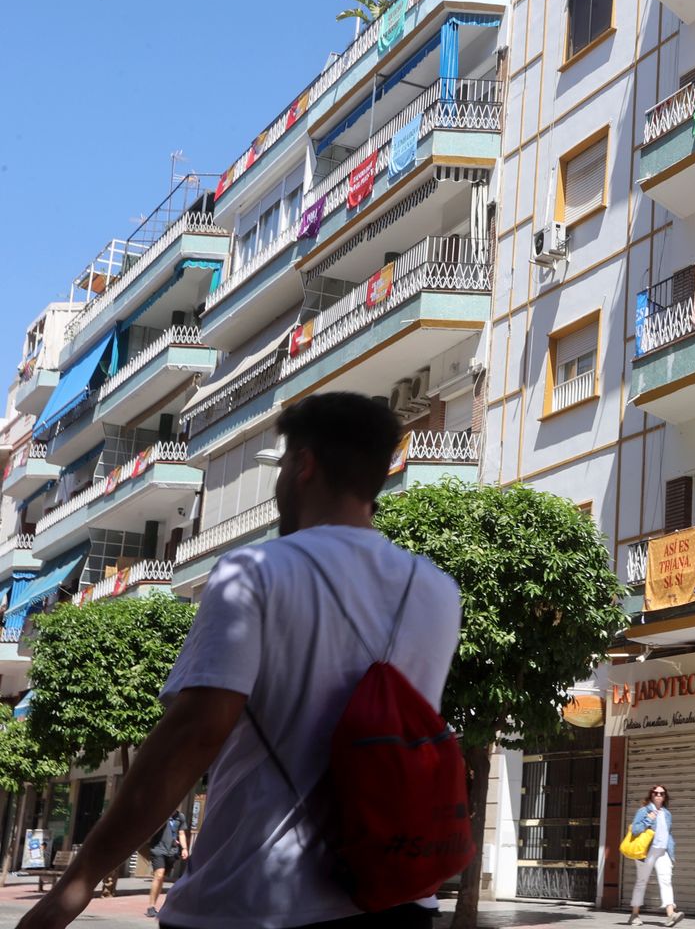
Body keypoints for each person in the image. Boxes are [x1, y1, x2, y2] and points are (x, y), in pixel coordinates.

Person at [17, 393, 462, 929]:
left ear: (304, 465)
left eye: (282, 465)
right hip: (395, 901)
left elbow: (195, 735)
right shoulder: (438, 590)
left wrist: (78, 884)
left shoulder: (254, 571)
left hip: (250, 898)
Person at [628, 786, 683, 927]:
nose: (658, 795)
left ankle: (671, 914)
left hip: (663, 851)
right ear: (651, 795)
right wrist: (648, 819)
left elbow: (668, 834)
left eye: (661, 793)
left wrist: (671, 852)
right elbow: (635, 830)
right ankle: (634, 915)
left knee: (666, 880)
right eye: (656, 793)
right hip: (647, 851)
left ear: (665, 797)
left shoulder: (667, 814)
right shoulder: (644, 811)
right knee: (642, 881)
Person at [145, 810, 190, 918]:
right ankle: (151, 906)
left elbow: (181, 833)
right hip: (158, 849)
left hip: (172, 851)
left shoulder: (180, 817)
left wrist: (184, 848)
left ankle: (154, 905)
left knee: (161, 878)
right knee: (159, 875)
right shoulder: (161, 813)